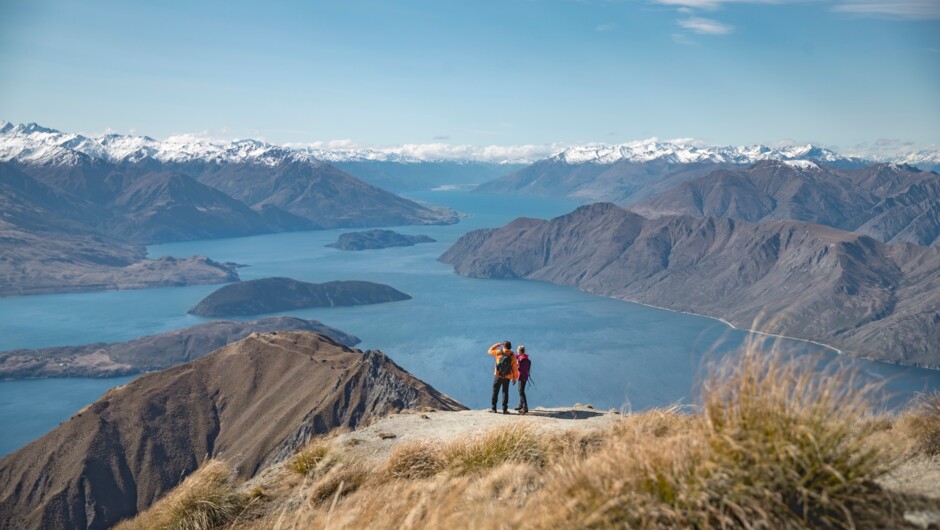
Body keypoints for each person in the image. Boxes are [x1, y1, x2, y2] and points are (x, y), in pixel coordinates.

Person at [488, 340, 518, 414]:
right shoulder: (512, 356)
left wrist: (498, 344)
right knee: (505, 392)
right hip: (507, 376)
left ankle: (494, 408)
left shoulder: (498, 352)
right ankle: (504, 409)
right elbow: (515, 368)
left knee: (495, 391)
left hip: (498, 375)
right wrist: (514, 378)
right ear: (510, 347)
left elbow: (489, 351)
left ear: (503, 346)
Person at [514, 345, 530, 414]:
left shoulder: (524, 360)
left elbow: (521, 369)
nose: (517, 351)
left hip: (522, 377)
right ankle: (521, 405)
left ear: (520, 351)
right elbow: (517, 356)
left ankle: (525, 407)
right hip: (523, 377)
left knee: (521, 391)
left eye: (517, 350)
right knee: (520, 390)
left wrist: (517, 364)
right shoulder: (523, 357)